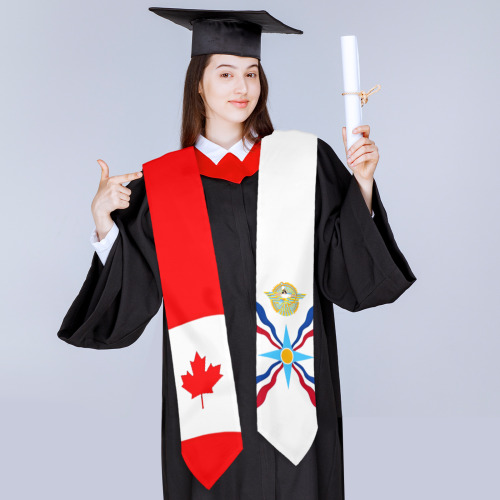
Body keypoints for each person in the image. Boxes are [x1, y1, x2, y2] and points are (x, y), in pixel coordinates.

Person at [57, 8, 417, 500]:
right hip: (207, 411)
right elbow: (129, 299)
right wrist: (104, 224)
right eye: (224, 74)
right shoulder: (163, 184)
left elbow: (347, 274)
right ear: (198, 86)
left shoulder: (303, 161)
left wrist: (363, 185)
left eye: (251, 73)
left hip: (296, 403)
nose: (241, 86)